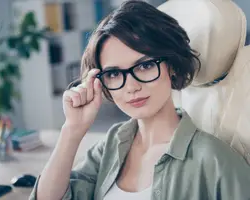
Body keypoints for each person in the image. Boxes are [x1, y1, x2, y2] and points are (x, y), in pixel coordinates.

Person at [29, 1, 250, 199]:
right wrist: (72, 129)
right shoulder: (112, 145)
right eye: (114, 74)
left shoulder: (216, 161)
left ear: (171, 66)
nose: (131, 86)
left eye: (145, 66)